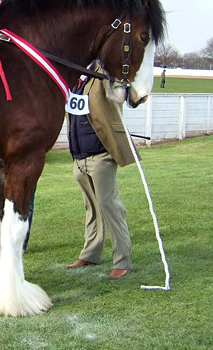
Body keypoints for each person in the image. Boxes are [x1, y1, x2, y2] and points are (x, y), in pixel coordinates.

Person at [65, 66, 136, 279]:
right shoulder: (75, 79)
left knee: (109, 206)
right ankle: (90, 254)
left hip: (101, 154)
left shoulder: (104, 73)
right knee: (92, 207)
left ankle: (122, 261)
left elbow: (126, 94)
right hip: (79, 156)